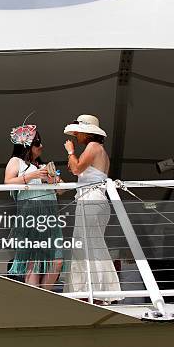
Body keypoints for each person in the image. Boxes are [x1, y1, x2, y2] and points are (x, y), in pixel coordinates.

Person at [62, 114, 122, 303]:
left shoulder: (93, 147)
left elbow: (76, 169)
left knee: (88, 244)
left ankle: (94, 292)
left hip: (91, 201)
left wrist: (71, 152)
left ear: (87, 133)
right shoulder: (98, 148)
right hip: (94, 201)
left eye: (78, 132)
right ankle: (93, 291)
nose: (76, 136)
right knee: (89, 244)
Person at [4, 123, 63, 290]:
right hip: (30, 215)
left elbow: (62, 190)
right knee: (33, 262)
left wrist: (53, 181)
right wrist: (33, 175)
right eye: (37, 143)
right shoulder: (16, 161)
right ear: (27, 146)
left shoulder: (44, 166)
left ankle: (44, 295)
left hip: (50, 217)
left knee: (57, 261)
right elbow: (8, 182)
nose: (41, 146)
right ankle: (39, 300)